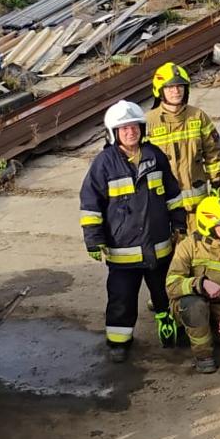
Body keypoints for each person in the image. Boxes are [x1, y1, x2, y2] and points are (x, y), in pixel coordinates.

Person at [80, 100, 183, 362]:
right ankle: (119, 340)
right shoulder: (104, 164)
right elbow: (91, 204)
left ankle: (169, 323)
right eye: (123, 128)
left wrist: (179, 223)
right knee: (121, 298)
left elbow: (172, 194)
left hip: (159, 246)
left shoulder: (155, 156)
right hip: (123, 252)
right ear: (113, 133)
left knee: (164, 291)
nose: (130, 132)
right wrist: (94, 240)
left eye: (134, 127)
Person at [166, 197, 220, 373]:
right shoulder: (188, 246)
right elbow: (172, 285)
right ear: (207, 224)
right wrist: (201, 283)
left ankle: (210, 330)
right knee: (196, 307)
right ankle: (203, 355)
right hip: (191, 304)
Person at [147, 63, 220, 219]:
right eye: (170, 87)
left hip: (199, 205)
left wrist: (216, 182)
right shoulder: (149, 122)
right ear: (159, 90)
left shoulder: (198, 116)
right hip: (167, 207)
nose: (176, 91)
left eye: (180, 86)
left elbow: (212, 152)